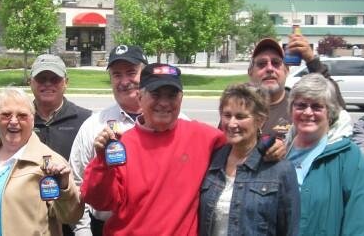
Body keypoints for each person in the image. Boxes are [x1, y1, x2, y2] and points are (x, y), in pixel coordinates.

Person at [82, 63, 226, 235]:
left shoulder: (205, 137)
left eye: (172, 95)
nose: (164, 103)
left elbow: (243, 148)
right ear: (140, 97)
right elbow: (99, 201)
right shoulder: (120, 146)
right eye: (155, 94)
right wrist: (102, 162)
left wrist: (266, 147)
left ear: (181, 98)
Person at [0, 87, 83, 236]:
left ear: (32, 119)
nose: (13, 121)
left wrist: (64, 188)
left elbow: (71, 216)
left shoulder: (49, 161)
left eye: (22, 116)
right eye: (6, 115)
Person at [68, 44, 149, 236]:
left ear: (146, 75)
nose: (124, 81)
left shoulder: (172, 122)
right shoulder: (94, 125)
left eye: (131, 72)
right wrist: (84, 233)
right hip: (103, 229)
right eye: (117, 75)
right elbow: (76, 184)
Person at [199, 83, 300, 236]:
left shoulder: (279, 170)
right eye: (227, 115)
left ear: (260, 120)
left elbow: (290, 229)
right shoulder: (212, 160)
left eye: (240, 116)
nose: (232, 123)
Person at [284, 74, 364, 235]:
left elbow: (361, 223)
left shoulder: (349, 157)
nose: (307, 112)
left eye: (316, 106)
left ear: (330, 112)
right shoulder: (281, 152)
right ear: (291, 109)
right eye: (300, 105)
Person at [248, 37, 345, 137]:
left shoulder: (300, 105)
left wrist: (311, 61)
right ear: (250, 72)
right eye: (261, 64)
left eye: (276, 63)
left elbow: (338, 108)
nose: (269, 69)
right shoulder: (237, 104)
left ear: (286, 70)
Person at [29, 54, 92, 159]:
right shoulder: (19, 120)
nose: (48, 84)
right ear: (30, 82)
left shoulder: (85, 120)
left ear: (66, 82)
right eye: (41, 78)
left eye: (55, 79)